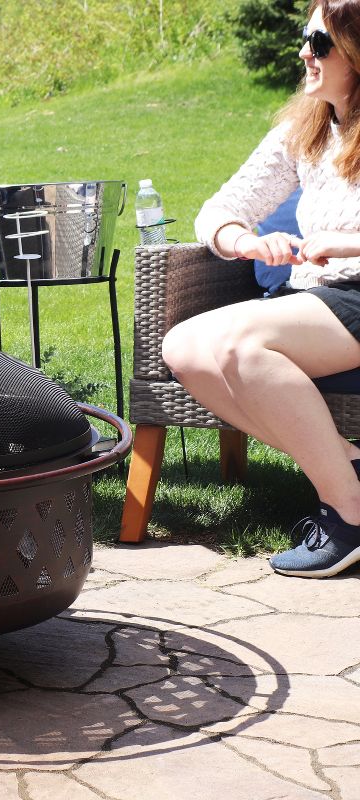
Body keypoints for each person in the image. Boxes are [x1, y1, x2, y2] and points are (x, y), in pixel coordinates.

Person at [161, 0, 360, 578]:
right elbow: (219, 209)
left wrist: (348, 244)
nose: (304, 53)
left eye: (319, 44)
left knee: (242, 348)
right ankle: (348, 466)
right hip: (314, 300)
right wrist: (245, 241)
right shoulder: (305, 128)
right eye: (306, 38)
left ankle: (348, 512)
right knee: (182, 348)